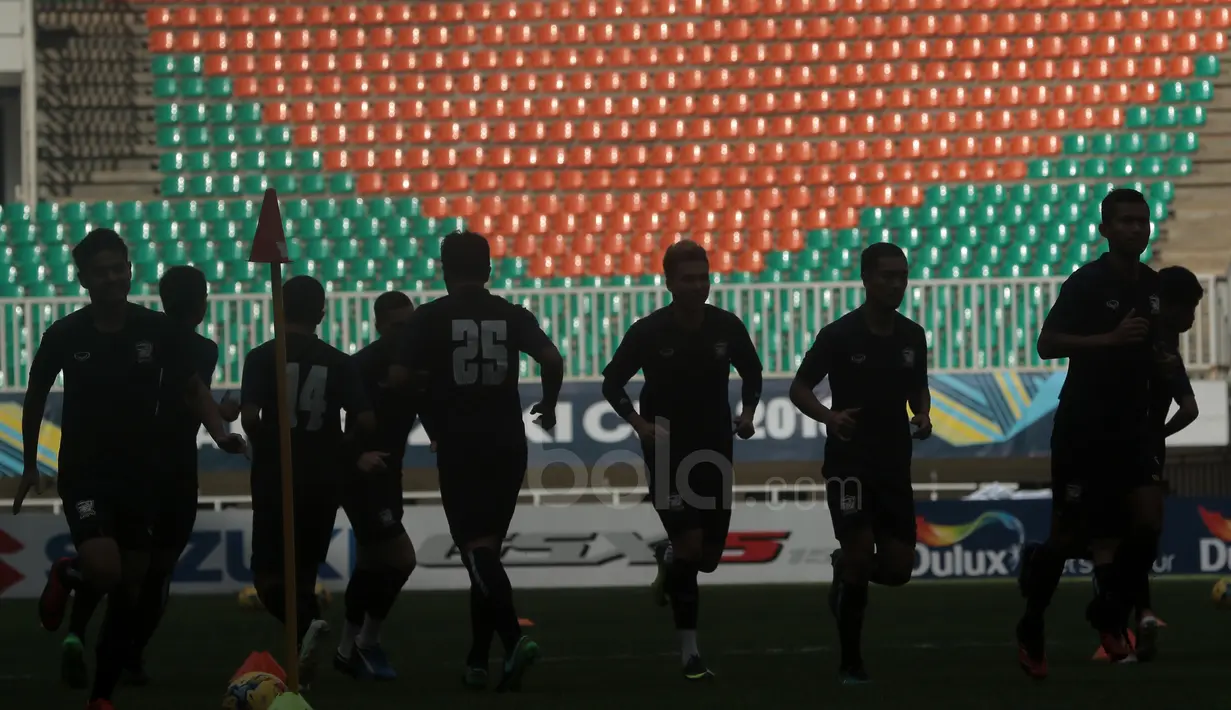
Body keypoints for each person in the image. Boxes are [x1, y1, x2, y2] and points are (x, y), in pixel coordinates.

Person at [13, 229, 246, 710]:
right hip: (86, 472)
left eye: (119, 268)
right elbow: (35, 397)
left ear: (129, 269)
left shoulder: (157, 329)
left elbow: (192, 388)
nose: (114, 277)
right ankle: (72, 572)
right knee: (106, 566)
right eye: (102, 271)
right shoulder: (64, 334)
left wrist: (220, 433)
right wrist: (30, 464)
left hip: (144, 475)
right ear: (83, 279)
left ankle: (102, 695)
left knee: (132, 585)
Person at [391, 230, 564, 692]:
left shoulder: (429, 318)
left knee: (476, 550)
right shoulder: (510, 314)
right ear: (488, 269)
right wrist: (549, 404)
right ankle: (476, 660)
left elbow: (399, 376)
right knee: (486, 551)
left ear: (445, 270)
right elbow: (551, 357)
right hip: (508, 442)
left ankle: (512, 642)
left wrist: (428, 396)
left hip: (460, 443)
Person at [57, 266, 240, 689]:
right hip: (170, 471)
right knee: (153, 573)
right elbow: (189, 398)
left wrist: (216, 413)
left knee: (122, 566)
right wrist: (221, 418)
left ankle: (78, 631)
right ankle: (127, 656)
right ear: (201, 303)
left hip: (132, 465)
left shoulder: (134, 336)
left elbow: (186, 396)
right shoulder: (200, 348)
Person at [1015, 188, 1169, 678]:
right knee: (1067, 535)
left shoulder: (1151, 286)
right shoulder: (1086, 282)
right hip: (1084, 427)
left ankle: (1108, 612)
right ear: (1105, 229)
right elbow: (1046, 343)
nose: (1135, 229)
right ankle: (1032, 623)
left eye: (1142, 221)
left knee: (1146, 523)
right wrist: (1107, 339)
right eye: (1125, 221)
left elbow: (1154, 347)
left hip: (1133, 427)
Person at [600, 239, 763, 682]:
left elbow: (752, 371)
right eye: (687, 278)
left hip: (715, 448)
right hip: (668, 451)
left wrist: (747, 413)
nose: (696, 286)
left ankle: (668, 556)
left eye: (703, 277)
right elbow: (612, 381)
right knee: (694, 549)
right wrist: (638, 422)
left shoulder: (726, 326)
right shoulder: (648, 331)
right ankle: (690, 654)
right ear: (669, 282)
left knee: (707, 558)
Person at [788, 241, 932, 685]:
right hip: (849, 464)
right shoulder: (839, 335)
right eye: (887, 275)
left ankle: (844, 575)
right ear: (866, 279)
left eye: (902, 275)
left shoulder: (912, 336)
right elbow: (800, 388)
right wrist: (830, 417)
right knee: (858, 554)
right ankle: (851, 664)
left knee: (898, 569)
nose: (896, 283)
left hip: (894, 464)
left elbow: (918, 389)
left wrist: (923, 413)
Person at [239, 275, 380, 689]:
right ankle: (304, 645)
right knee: (302, 571)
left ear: (278, 309)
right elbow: (367, 420)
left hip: (274, 476)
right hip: (322, 476)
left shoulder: (261, 357)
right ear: (321, 313)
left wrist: (269, 446)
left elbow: (249, 418)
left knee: (267, 578)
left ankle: (305, 628)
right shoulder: (339, 361)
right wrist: (339, 447)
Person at [334, 291, 419, 680]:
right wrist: (353, 456)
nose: (406, 333)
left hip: (389, 472)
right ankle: (367, 641)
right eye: (399, 326)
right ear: (380, 325)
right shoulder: (360, 366)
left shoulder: (415, 362)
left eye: (410, 325)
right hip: (361, 476)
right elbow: (321, 423)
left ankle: (345, 650)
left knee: (371, 563)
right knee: (401, 559)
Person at [1120, 265, 1203, 661]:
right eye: (1190, 309)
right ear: (1173, 306)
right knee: (1140, 531)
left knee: (1128, 533)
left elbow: (1190, 409)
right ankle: (1134, 614)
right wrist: (1160, 435)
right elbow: (1189, 410)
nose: (1192, 319)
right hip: (1138, 449)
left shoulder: (1147, 336)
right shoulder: (1161, 345)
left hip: (1119, 443)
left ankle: (1137, 615)